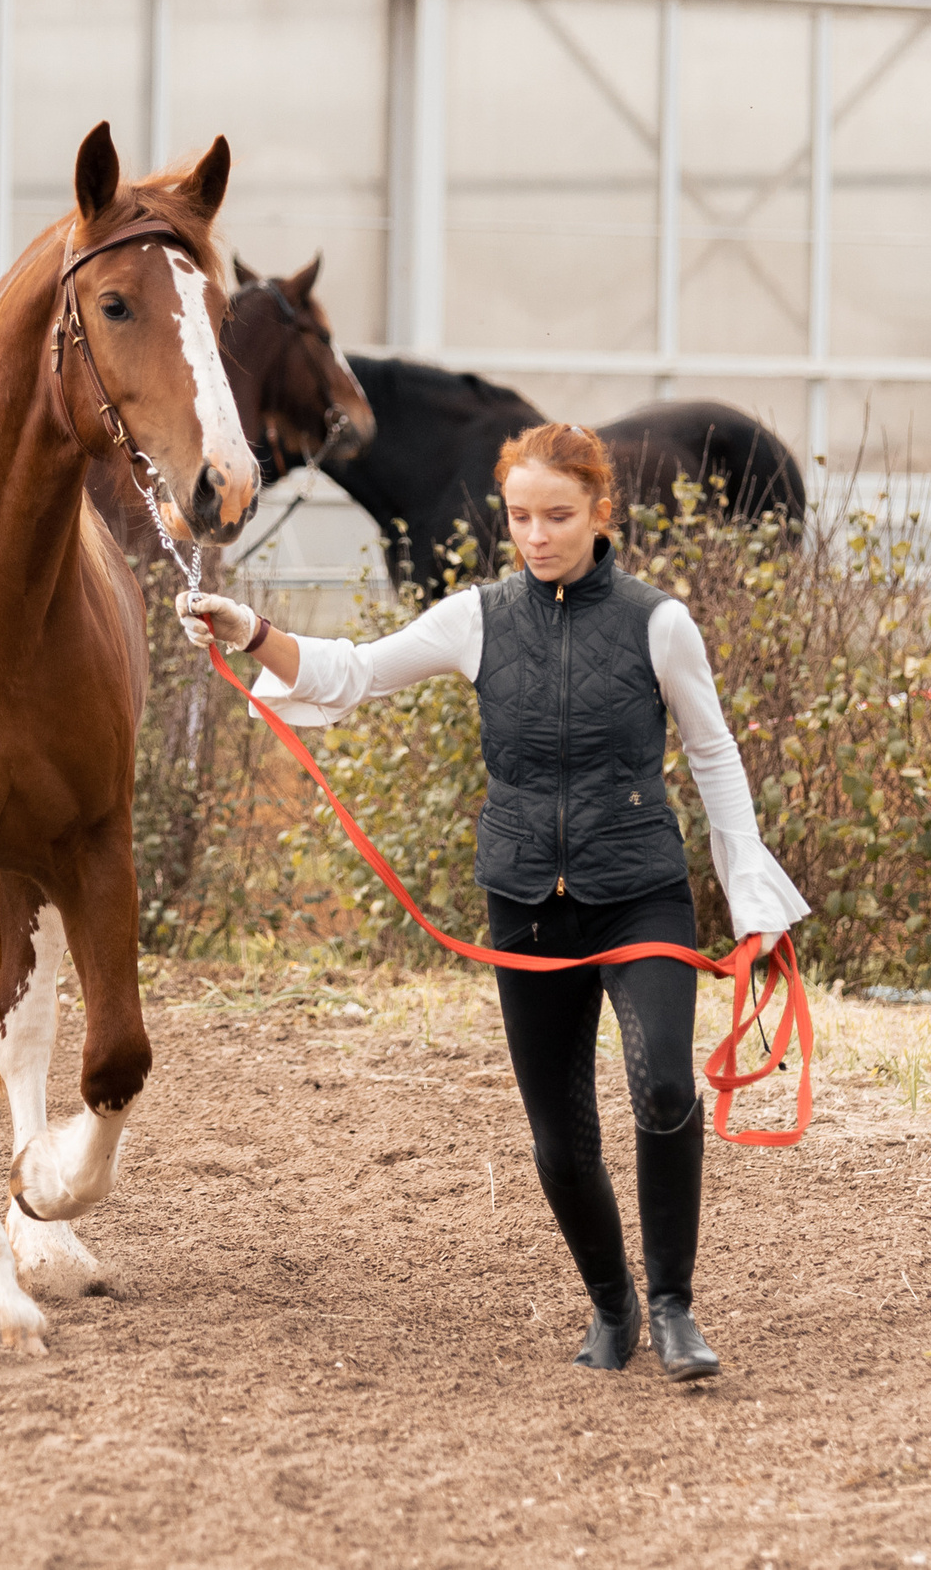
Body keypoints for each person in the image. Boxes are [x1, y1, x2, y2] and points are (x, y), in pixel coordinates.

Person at [176, 422, 808, 1382]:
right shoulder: (475, 618)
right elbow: (354, 671)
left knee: (664, 1088)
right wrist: (253, 631)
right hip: (525, 901)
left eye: (559, 516)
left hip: (639, 891)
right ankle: (612, 1304)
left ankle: (674, 1306)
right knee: (559, 1135)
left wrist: (750, 888)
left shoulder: (659, 622)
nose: (537, 536)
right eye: (520, 517)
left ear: (601, 513)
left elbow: (713, 753)